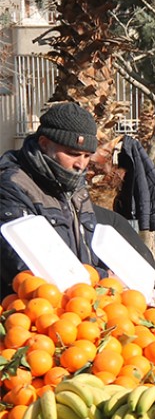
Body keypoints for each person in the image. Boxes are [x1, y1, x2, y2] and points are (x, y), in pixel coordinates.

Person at [0, 102, 103, 291]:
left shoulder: (77, 189)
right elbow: (24, 265)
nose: (81, 165)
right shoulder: (12, 186)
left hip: (80, 305)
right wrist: (100, 278)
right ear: (45, 144)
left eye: (87, 156)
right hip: (32, 309)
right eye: (73, 154)